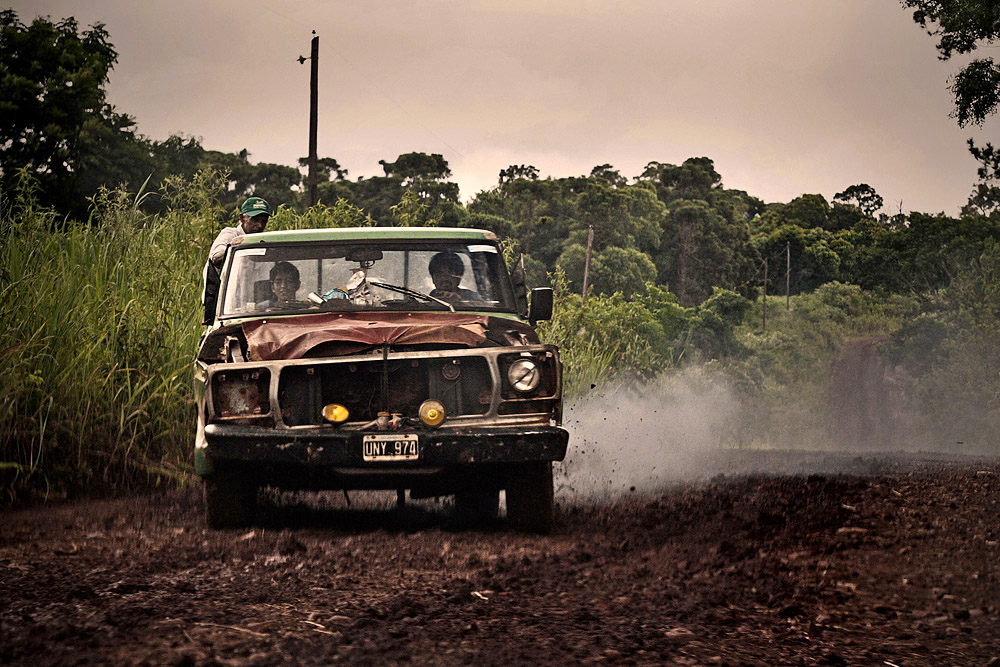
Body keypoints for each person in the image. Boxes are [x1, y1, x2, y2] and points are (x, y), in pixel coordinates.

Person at [202, 197, 271, 323]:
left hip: (254, 312)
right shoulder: (230, 234)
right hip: (225, 313)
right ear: (241, 219)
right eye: (254, 220)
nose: (260, 225)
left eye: (263, 221)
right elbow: (216, 257)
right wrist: (242, 247)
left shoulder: (264, 244)